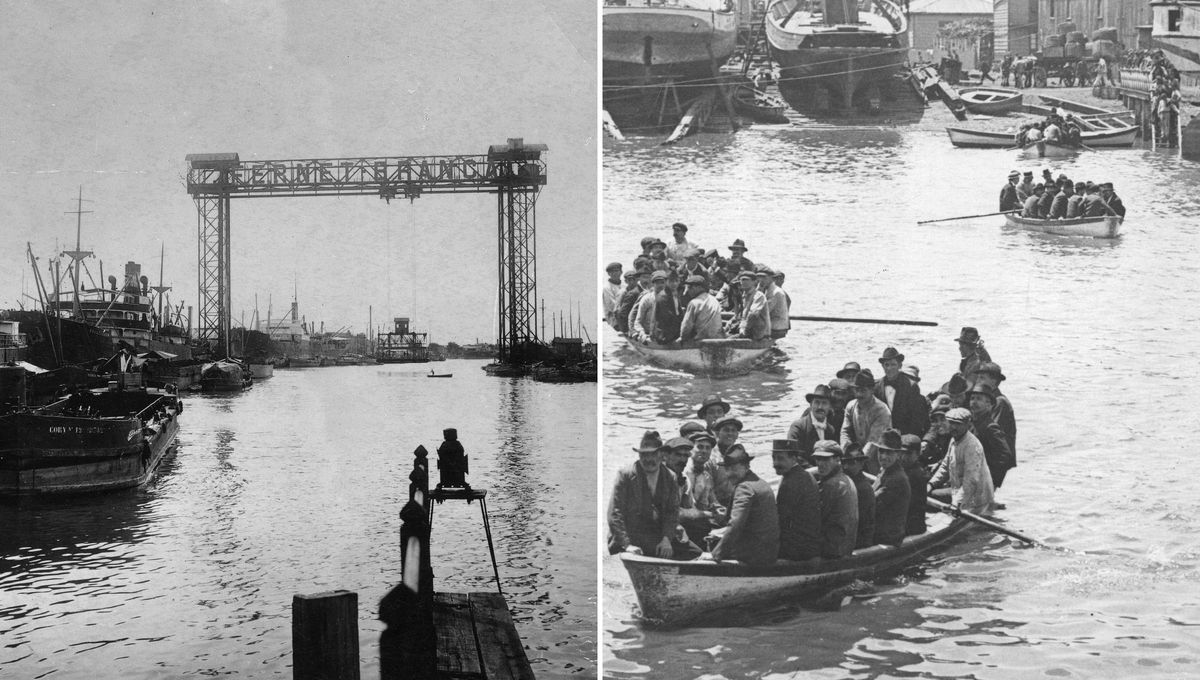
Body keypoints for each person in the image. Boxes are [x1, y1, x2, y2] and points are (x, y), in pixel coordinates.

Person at [607, 431, 690, 558]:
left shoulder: (670, 477)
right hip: (629, 536)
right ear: (639, 455)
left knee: (694, 553)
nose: (648, 459)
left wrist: (666, 539)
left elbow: (672, 512)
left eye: (653, 454)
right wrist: (627, 545)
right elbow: (614, 513)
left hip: (657, 535)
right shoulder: (625, 475)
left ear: (662, 455)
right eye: (644, 454)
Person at [705, 445, 779, 565]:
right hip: (769, 550)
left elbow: (735, 524)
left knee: (708, 544)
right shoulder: (761, 483)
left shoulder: (745, 488)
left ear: (746, 466)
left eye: (734, 468)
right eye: (727, 469)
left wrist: (716, 554)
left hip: (753, 555)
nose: (729, 474)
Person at [928, 408, 995, 515]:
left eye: (958, 424)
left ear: (968, 425)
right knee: (927, 493)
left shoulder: (972, 446)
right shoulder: (954, 439)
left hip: (976, 497)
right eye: (951, 423)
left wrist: (957, 502)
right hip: (960, 490)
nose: (953, 427)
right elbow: (945, 467)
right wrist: (931, 484)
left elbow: (971, 479)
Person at [772, 439, 821, 561]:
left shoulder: (789, 483)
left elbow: (781, 520)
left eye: (780, 459)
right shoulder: (805, 475)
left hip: (798, 549)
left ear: (794, 459)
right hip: (810, 543)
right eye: (773, 458)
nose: (775, 463)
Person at [812, 441, 859, 559]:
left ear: (837, 459)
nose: (820, 464)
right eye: (818, 459)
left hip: (833, 549)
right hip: (845, 545)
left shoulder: (832, 485)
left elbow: (815, 518)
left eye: (825, 459)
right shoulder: (845, 479)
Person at [840, 369, 892, 472]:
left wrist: (856, 462)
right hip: (856, 459)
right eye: (857, 390)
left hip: (877, 461)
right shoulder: (851, 406)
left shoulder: (882, 411)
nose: (859, 394)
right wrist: (846, 453)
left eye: (863, 390)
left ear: (872, 390)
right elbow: (845, 432)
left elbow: (873, 443)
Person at [965, 382, 1016, 489]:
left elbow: (1005, 456)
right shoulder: (972, 425)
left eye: (979, 399)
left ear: (989, 405)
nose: (974, 402)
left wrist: (989, 478)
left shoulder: (990, 427)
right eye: (972, 398)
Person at [875, 346, 929, 437]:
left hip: (905, 436)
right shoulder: (876, 387)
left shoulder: (911, 386)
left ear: (899, 365)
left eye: (893, 364)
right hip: (882, 435)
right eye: (886, 365)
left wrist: (907, 439)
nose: (889, 368)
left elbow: (916, 419)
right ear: (882, 366)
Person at [969, 361, 1016, 465]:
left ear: (994, 381)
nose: (978, 381)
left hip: (998, 459)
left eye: (982, 378)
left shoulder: (999, 401)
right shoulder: (987, 399)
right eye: (978, 377)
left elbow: (990, 430)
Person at [872, 429, 911, 548]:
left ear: (898, 454)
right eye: (881, 451)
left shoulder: (897, 479)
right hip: (879, 530)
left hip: (888, 537)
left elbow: (872, 506)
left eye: (889, 452)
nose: (883, 456)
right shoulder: (885, 470)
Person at [786, 384, 839, 462]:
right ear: (811, 405)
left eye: (824, 403)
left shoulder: (831, 430)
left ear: (830, 407)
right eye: (817, 402)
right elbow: (793, 456)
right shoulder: (798, 427)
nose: (820, 407)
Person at [842, 444, 876, 549]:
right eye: (845, 463)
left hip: (860, 541)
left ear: (861, 464)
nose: (847, 466)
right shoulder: (849, 481)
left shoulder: (863, 488)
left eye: (852, 463)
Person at [678, 274, 723, 342]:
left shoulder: (694, 303)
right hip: (718, 338)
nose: (688, 291)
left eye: (690, 287)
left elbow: (686, 328)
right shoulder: (714, 300)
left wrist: (682, 338)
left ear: (699, 287)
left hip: (702, 341)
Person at [728, 271, 770, 340]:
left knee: (729, 339)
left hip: (757, 332)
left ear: (754, 282)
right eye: (741, 280)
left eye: (745, 279)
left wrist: (743, 329)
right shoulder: (744, 295)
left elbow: (753, 314)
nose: (742, 282)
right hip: (749, 329)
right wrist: (735, 298)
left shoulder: (759, 296)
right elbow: (740, 314)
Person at [900, 434, 928, 536]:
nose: (903, 457)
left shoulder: (917, 475)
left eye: (908, 454)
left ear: (917, 454)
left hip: (912, 527)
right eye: (901, 453)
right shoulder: (903, 470)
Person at [626, 270, 660, 343]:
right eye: (657, 282)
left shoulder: (668, 296)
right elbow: (633, 315)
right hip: (645, 330)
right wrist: (633, 331)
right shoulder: (645, 296)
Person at [757, 268, 790, 339]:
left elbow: (764, 311)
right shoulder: (768, 289)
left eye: (764, 277)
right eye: (759, 277)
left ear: (772, 279)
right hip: (773, 324)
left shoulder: (775, 292)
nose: (761, 280)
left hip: (776, 327)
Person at [603, 262, 623, 328]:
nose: (614, 273)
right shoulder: (607, 288)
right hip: (614, 319)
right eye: (612, 272)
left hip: (625, 315)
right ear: (608, 274)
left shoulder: (625, 285)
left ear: (621, 272)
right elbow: (612, 306)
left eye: (616, 271)